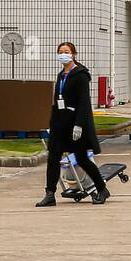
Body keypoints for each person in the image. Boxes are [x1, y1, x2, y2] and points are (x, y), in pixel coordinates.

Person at [36, 42, 110, 207]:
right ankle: (49, 194)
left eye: (67, 52)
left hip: (75, 124)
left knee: (82, 159)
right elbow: (57, 100)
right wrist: (52, 123)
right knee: (53, 158)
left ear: (73, 54)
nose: (63, 54)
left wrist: (79, 125)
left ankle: (102, 188)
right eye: (61, 52)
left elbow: (84, 102)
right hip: (59, 124)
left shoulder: (80, 75)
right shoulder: (61, 75)